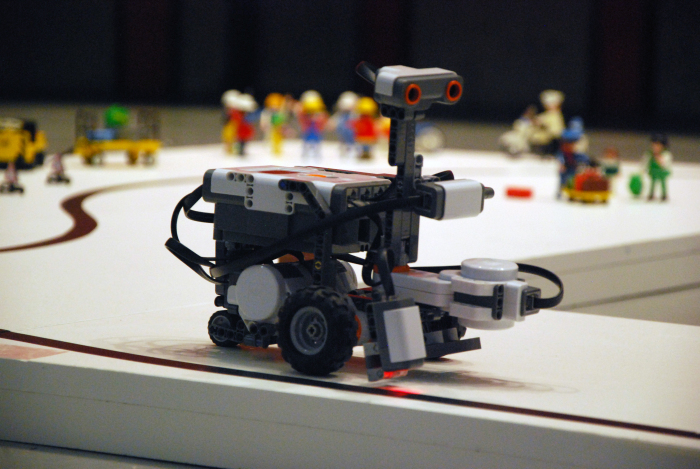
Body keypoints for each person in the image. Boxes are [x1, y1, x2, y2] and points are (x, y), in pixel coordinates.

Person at [641, 133, 672, 201]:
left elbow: (664, 163)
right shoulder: (649, 154)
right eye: (653, 145)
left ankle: (664, 194)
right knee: (653, 182)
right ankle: (651, 194)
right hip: (653, 170)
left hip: (662, 172)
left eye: (658, 145)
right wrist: (643, 169)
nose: (655, 147)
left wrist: (658, 157)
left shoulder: (665, 154)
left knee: (663, 183)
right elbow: (645, 162)